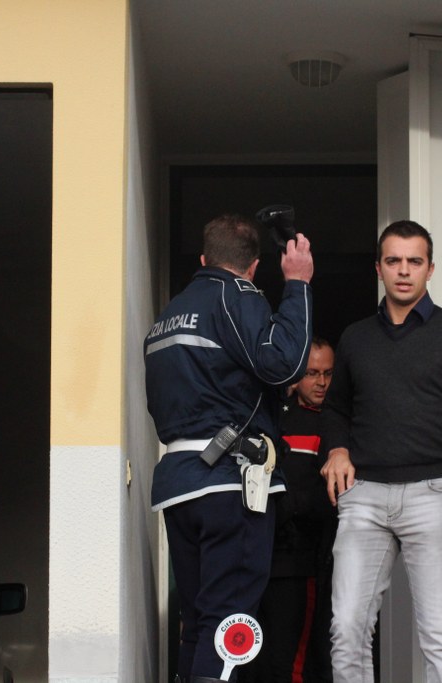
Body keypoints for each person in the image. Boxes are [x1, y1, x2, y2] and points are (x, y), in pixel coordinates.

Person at [320, 220, 442, 683]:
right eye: (394, 261)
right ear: (379, 269)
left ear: (430, 269)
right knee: (346, 630)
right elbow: (336, 408)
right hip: (363, 498)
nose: (404, 271)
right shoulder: (356, 337)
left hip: (433, 495)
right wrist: (338, 449)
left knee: (440, 638)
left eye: (414, 261)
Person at [145, 214, 314, 683]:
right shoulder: (236, 294)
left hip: (179, 482)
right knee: (230, 625)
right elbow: (285, 365)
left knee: (199, 622)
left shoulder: (168, 314)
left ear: (204, 259)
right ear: (254, 267)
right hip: (229, 481)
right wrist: (297, 285)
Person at [244, 338, 337, 683]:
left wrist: (291, 505)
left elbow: (338, 498)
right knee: (253, 660)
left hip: (305, 562)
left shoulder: (338, 426)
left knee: (294, 664)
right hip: (259, 558)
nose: (322, 382)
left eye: (328, 373)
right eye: (312, 373)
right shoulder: (273, 419)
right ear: (296, 377)